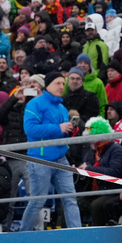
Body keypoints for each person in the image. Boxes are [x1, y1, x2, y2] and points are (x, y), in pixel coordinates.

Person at [21, 71, 82, 230]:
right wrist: (58, 128)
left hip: (60, 158)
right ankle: (21, 236)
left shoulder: (62, 108)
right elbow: (30, 129)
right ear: (47, 85)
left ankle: (78, 234)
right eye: (58, 83)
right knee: (37, 202)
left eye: (63, 83)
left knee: (70, 199)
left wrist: (70, 130)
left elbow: (60, 132)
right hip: (40, 159)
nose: (62, 86)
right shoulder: (35, 103)